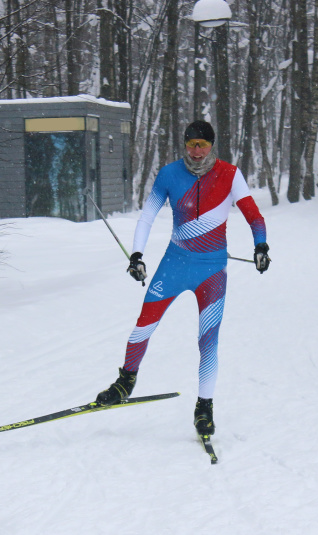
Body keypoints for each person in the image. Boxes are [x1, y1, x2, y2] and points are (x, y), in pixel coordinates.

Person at [95, 120, 270, 437]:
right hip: (174, 265)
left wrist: (261, 246)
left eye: (203, 145)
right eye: (192, 145)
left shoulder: (231, 175)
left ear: (212, 146)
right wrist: (137, 255)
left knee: (208, 341)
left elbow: (253, 215)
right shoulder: (169, 174)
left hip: (212, 271)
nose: (197, 151)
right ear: (184, 144)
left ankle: (204, 407)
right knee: (143, 325)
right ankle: (126, 382)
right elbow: (148, 214)